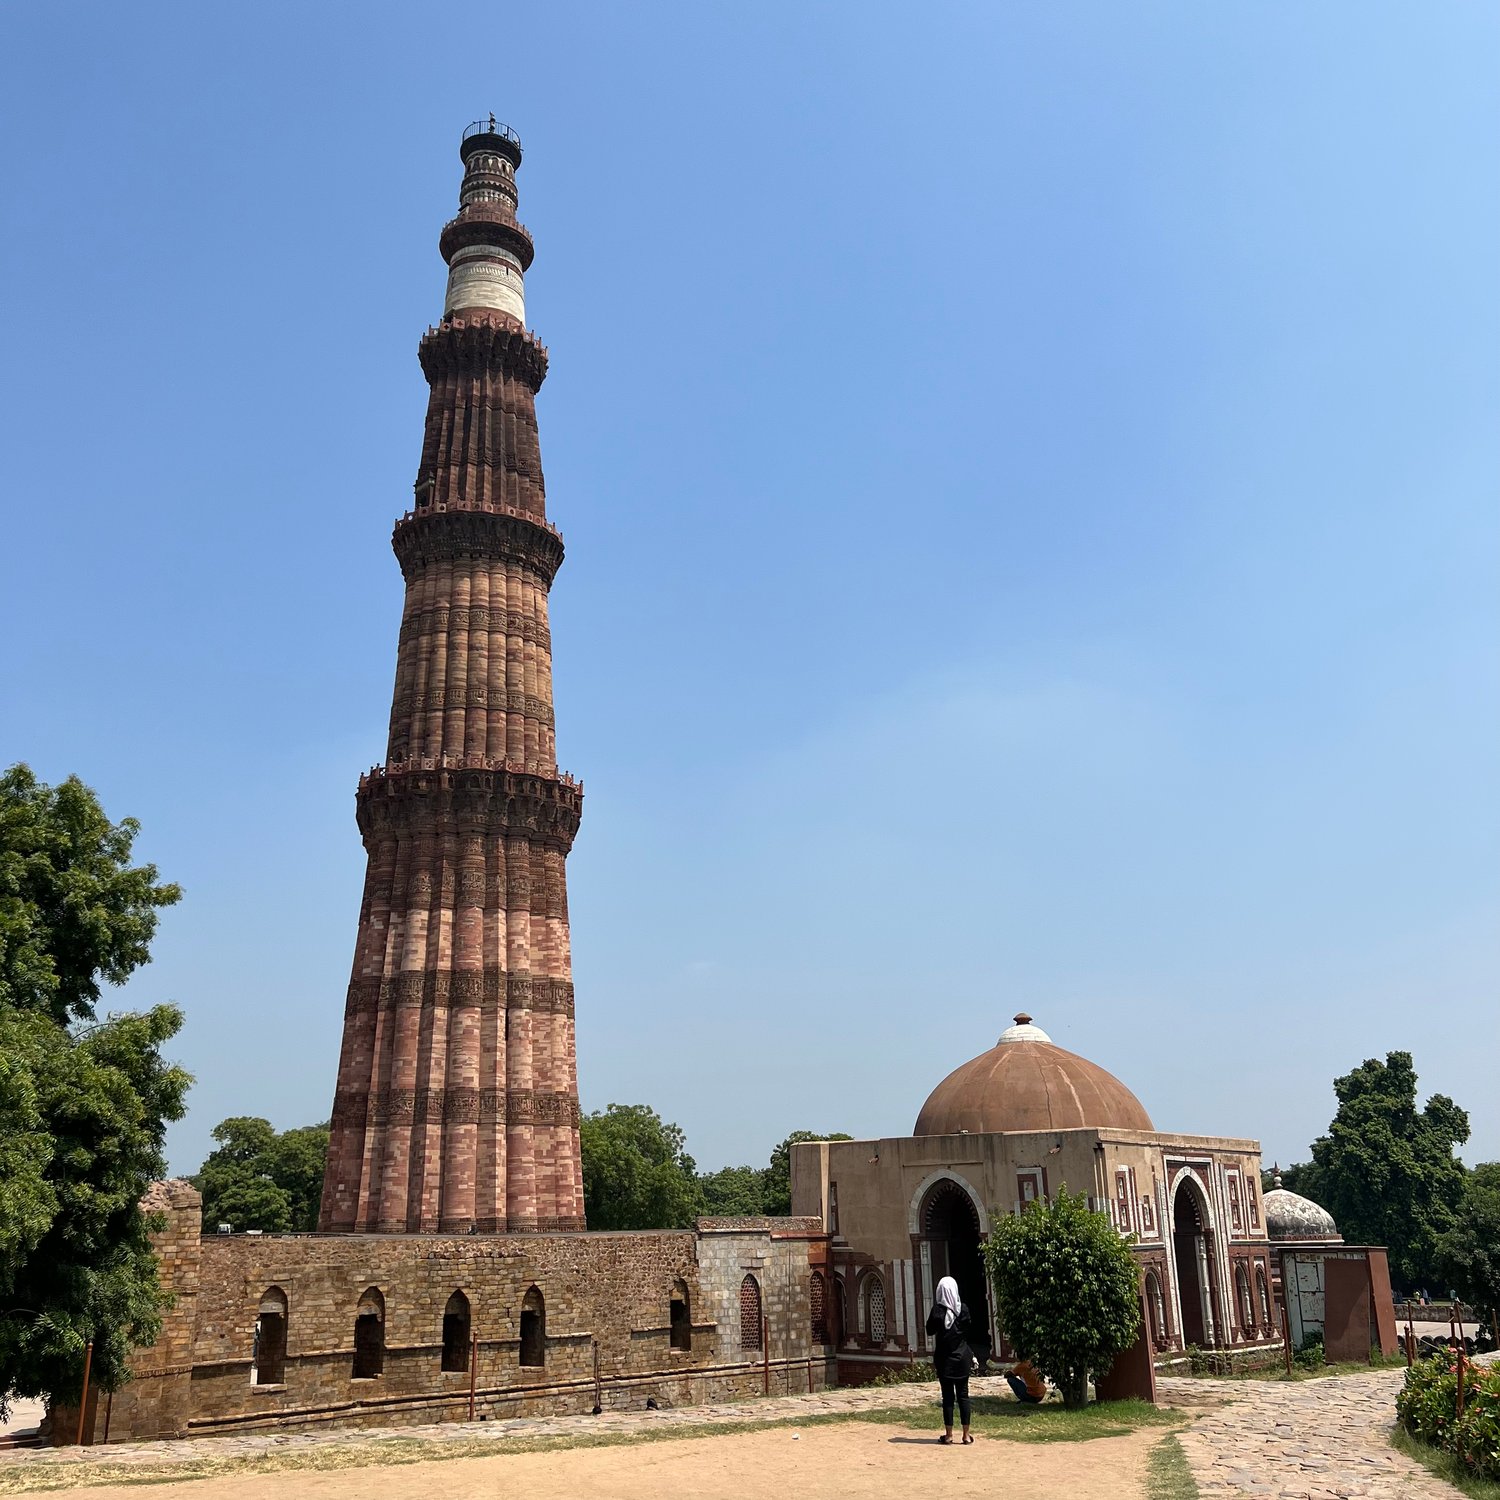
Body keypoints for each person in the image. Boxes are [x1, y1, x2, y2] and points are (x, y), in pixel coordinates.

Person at [924, 1275, 976, 1445]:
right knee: (963, 1396)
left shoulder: (938, 1312)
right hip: (962, 1358)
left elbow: (929, 1330)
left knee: (947, 1397)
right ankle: (966, 1435)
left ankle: (948, 1435)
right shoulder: (964, 1310)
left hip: (945, 1360)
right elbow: (968, 1330)